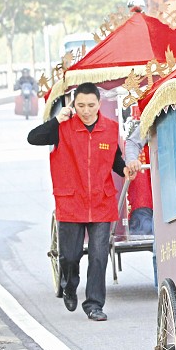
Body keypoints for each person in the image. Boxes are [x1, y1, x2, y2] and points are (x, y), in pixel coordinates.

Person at [27, 82, 135, 321]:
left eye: (91, 105)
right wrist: (57, 119)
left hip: (101, 202)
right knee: (70, 256)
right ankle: (69, 284)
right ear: (73, 105)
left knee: (98, 255)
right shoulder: (62, 127)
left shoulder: (110, 128)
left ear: (99, 104)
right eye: (81, 105)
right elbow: (33, 138)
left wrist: (124, 169)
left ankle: (94, 304)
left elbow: (114, 159)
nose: (86, 110)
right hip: (71, 201)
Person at [123, 113, 158, 286]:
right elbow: (133, 143)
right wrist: (132, 160)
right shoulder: (156, 112)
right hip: (159, 194)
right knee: (161, 241)